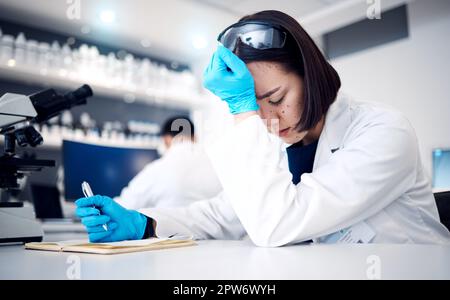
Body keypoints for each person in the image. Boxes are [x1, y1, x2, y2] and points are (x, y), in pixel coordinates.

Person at [76, 10, 450, 246]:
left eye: (275, 97)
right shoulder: (283, 146)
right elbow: (223, 215)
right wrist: (144, 223)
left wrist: (242, 109)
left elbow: (278, 225)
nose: (268, 119)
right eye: (255, 108)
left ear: (311, 74)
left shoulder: (384, 132)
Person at [114, 116, 222, 210]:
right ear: (195, 137)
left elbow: (125, 205)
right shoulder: (218, 165)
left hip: (172, 232)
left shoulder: (157, 169)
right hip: (216, 233)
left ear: (166, 139)